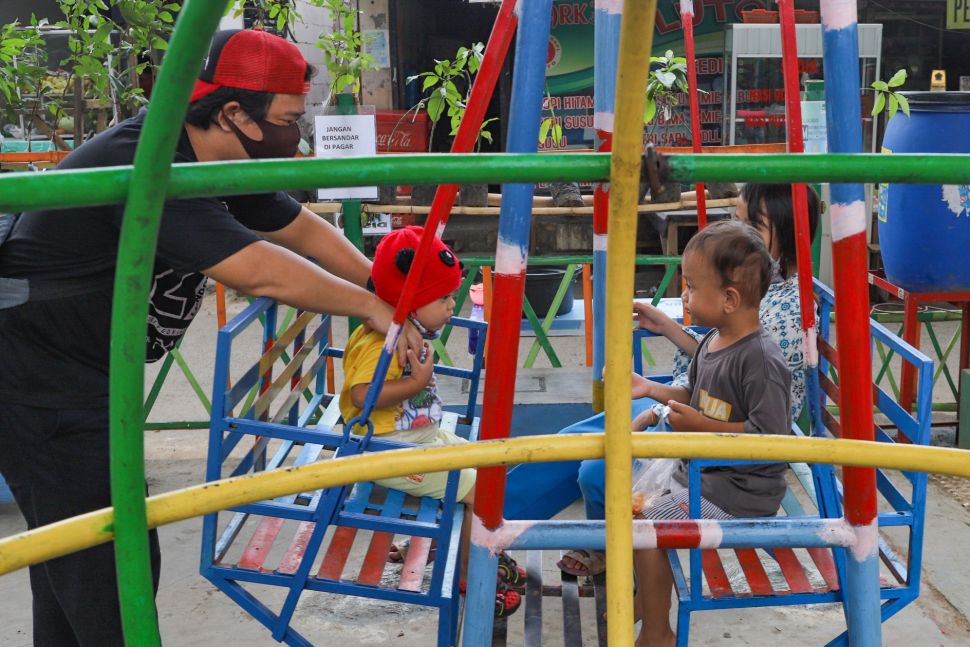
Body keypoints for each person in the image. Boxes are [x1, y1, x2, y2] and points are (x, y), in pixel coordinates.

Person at [0, 29, 420, 647]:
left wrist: (390, 291)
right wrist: (368, 307)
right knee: (111, 563)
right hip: (39, 377)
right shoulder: (151, 160)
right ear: (231, 113)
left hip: (77, 369)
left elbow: (297, 228)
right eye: (286, 119)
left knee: (73, 553)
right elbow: (258, 269)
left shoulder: (215, 153)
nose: (296, 136)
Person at [504, 183, 819, 578]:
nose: (742, 232)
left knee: (595, 463)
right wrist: (666, 334)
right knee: (579, 439)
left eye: (753, 224)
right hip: (687, 409)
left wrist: (691, 418)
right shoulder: (749, 292)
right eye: (738, 220)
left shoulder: (784, 310)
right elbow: (716, 362)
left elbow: (756, 406)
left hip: (710, 440)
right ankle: (495, 512)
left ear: (789, 234)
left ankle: (569, 537)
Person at [338, 226, 523, 619]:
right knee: (476, 489)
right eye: (444, 298)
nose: (452, 306)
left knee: (492, 463)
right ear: (413, 301)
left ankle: (478, 547)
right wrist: (415, 383)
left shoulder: (404, 330)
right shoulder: (382, 345)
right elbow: (360, 395)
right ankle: (473, 580)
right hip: (390, 450)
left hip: (419, 437)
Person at [632, 219, 791, 647]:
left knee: (647, 532)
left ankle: (656, 633)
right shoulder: (713, 341)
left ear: (729, 298)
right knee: (630, 504)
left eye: (691, 286)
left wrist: (700, 426)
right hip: (704, 476)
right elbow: (691, 393)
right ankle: (645, 600)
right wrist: (651, 389)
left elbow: (772, 441)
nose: (684, 295)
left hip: (740, 495)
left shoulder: (760, 360)